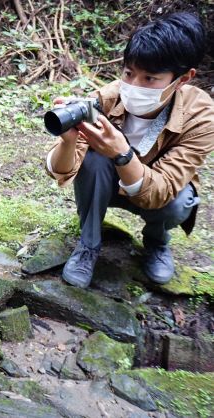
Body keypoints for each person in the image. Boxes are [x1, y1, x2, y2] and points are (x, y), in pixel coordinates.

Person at [45, 12, 214, 288]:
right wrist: (67, 141)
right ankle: (88, 246)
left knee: (180, 200)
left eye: (150, 78)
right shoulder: (107, 98)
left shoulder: (202, 117)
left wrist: (122, 153)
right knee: (92, 161)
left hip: (156, 196)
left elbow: (163, 187)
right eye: (128, 73)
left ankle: (157, 242)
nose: (134, 86)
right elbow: (61, 169)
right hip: (108, 186)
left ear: (183, 79)